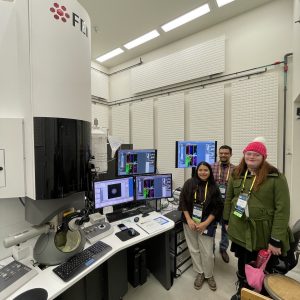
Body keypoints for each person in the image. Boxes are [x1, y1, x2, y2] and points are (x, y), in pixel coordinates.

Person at [223, 137, 293, 300]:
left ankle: (258, 293)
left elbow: (282, 210)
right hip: (241, 229)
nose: (251, 157)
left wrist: (275, 239)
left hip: (263, 232)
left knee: (262, 265)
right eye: (248, 153)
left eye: (256, 154)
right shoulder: (237, 174)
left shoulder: (275, 177)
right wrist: (226, 220)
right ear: (244, 155)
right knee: (243, 261)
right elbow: (228, 199)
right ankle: (242, 289)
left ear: (263, 157)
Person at [178, 161, 223, 291]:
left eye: (206, 170)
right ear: (197, 171)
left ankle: (209, 275)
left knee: (207, 252)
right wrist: (189, 219)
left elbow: (217, 208)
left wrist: (205, 224)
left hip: (206, 223)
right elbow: (183, 202)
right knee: (193, 249)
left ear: (210, 172)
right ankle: (200, 272)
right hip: (190, 222)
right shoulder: (189, 183)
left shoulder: (214, 187)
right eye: (200, 170)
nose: (203, 172)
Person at [211, 145, 235, 263]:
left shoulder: (236, 170)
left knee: (226, 230)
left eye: (226, 153)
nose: (223, 155)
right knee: (212, 227)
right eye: (221, 153)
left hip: (228, 206)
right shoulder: (211, 167)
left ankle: (223, 249)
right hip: (214, 204)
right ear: (218, 154)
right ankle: (211, 249)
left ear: (230, 154)